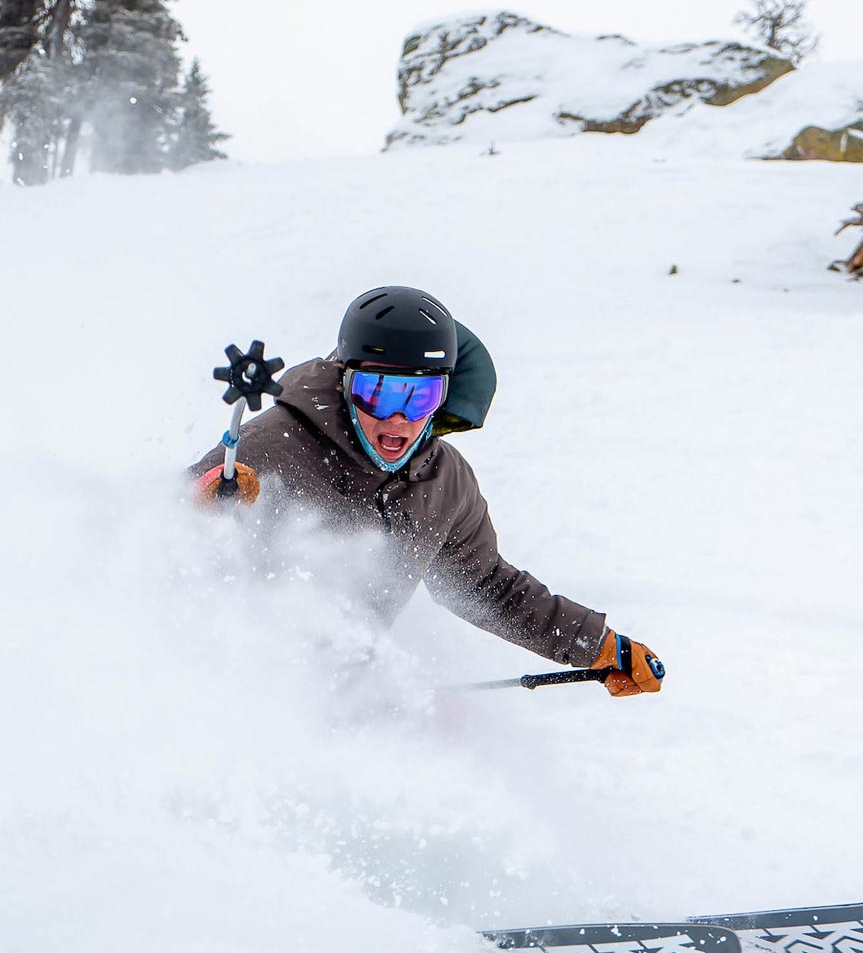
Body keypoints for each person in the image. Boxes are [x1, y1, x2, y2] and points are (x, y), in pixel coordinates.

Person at [190, 286, 663, 697]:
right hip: (233, 694)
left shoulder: (444, 482)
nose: (399, 418)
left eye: (420, 397)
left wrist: (596, 643)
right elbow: (158, 530)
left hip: (340, 703)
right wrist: (204, 503)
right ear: (345, 381)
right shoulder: (279, 443)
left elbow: (485, 586)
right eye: (379, 393)